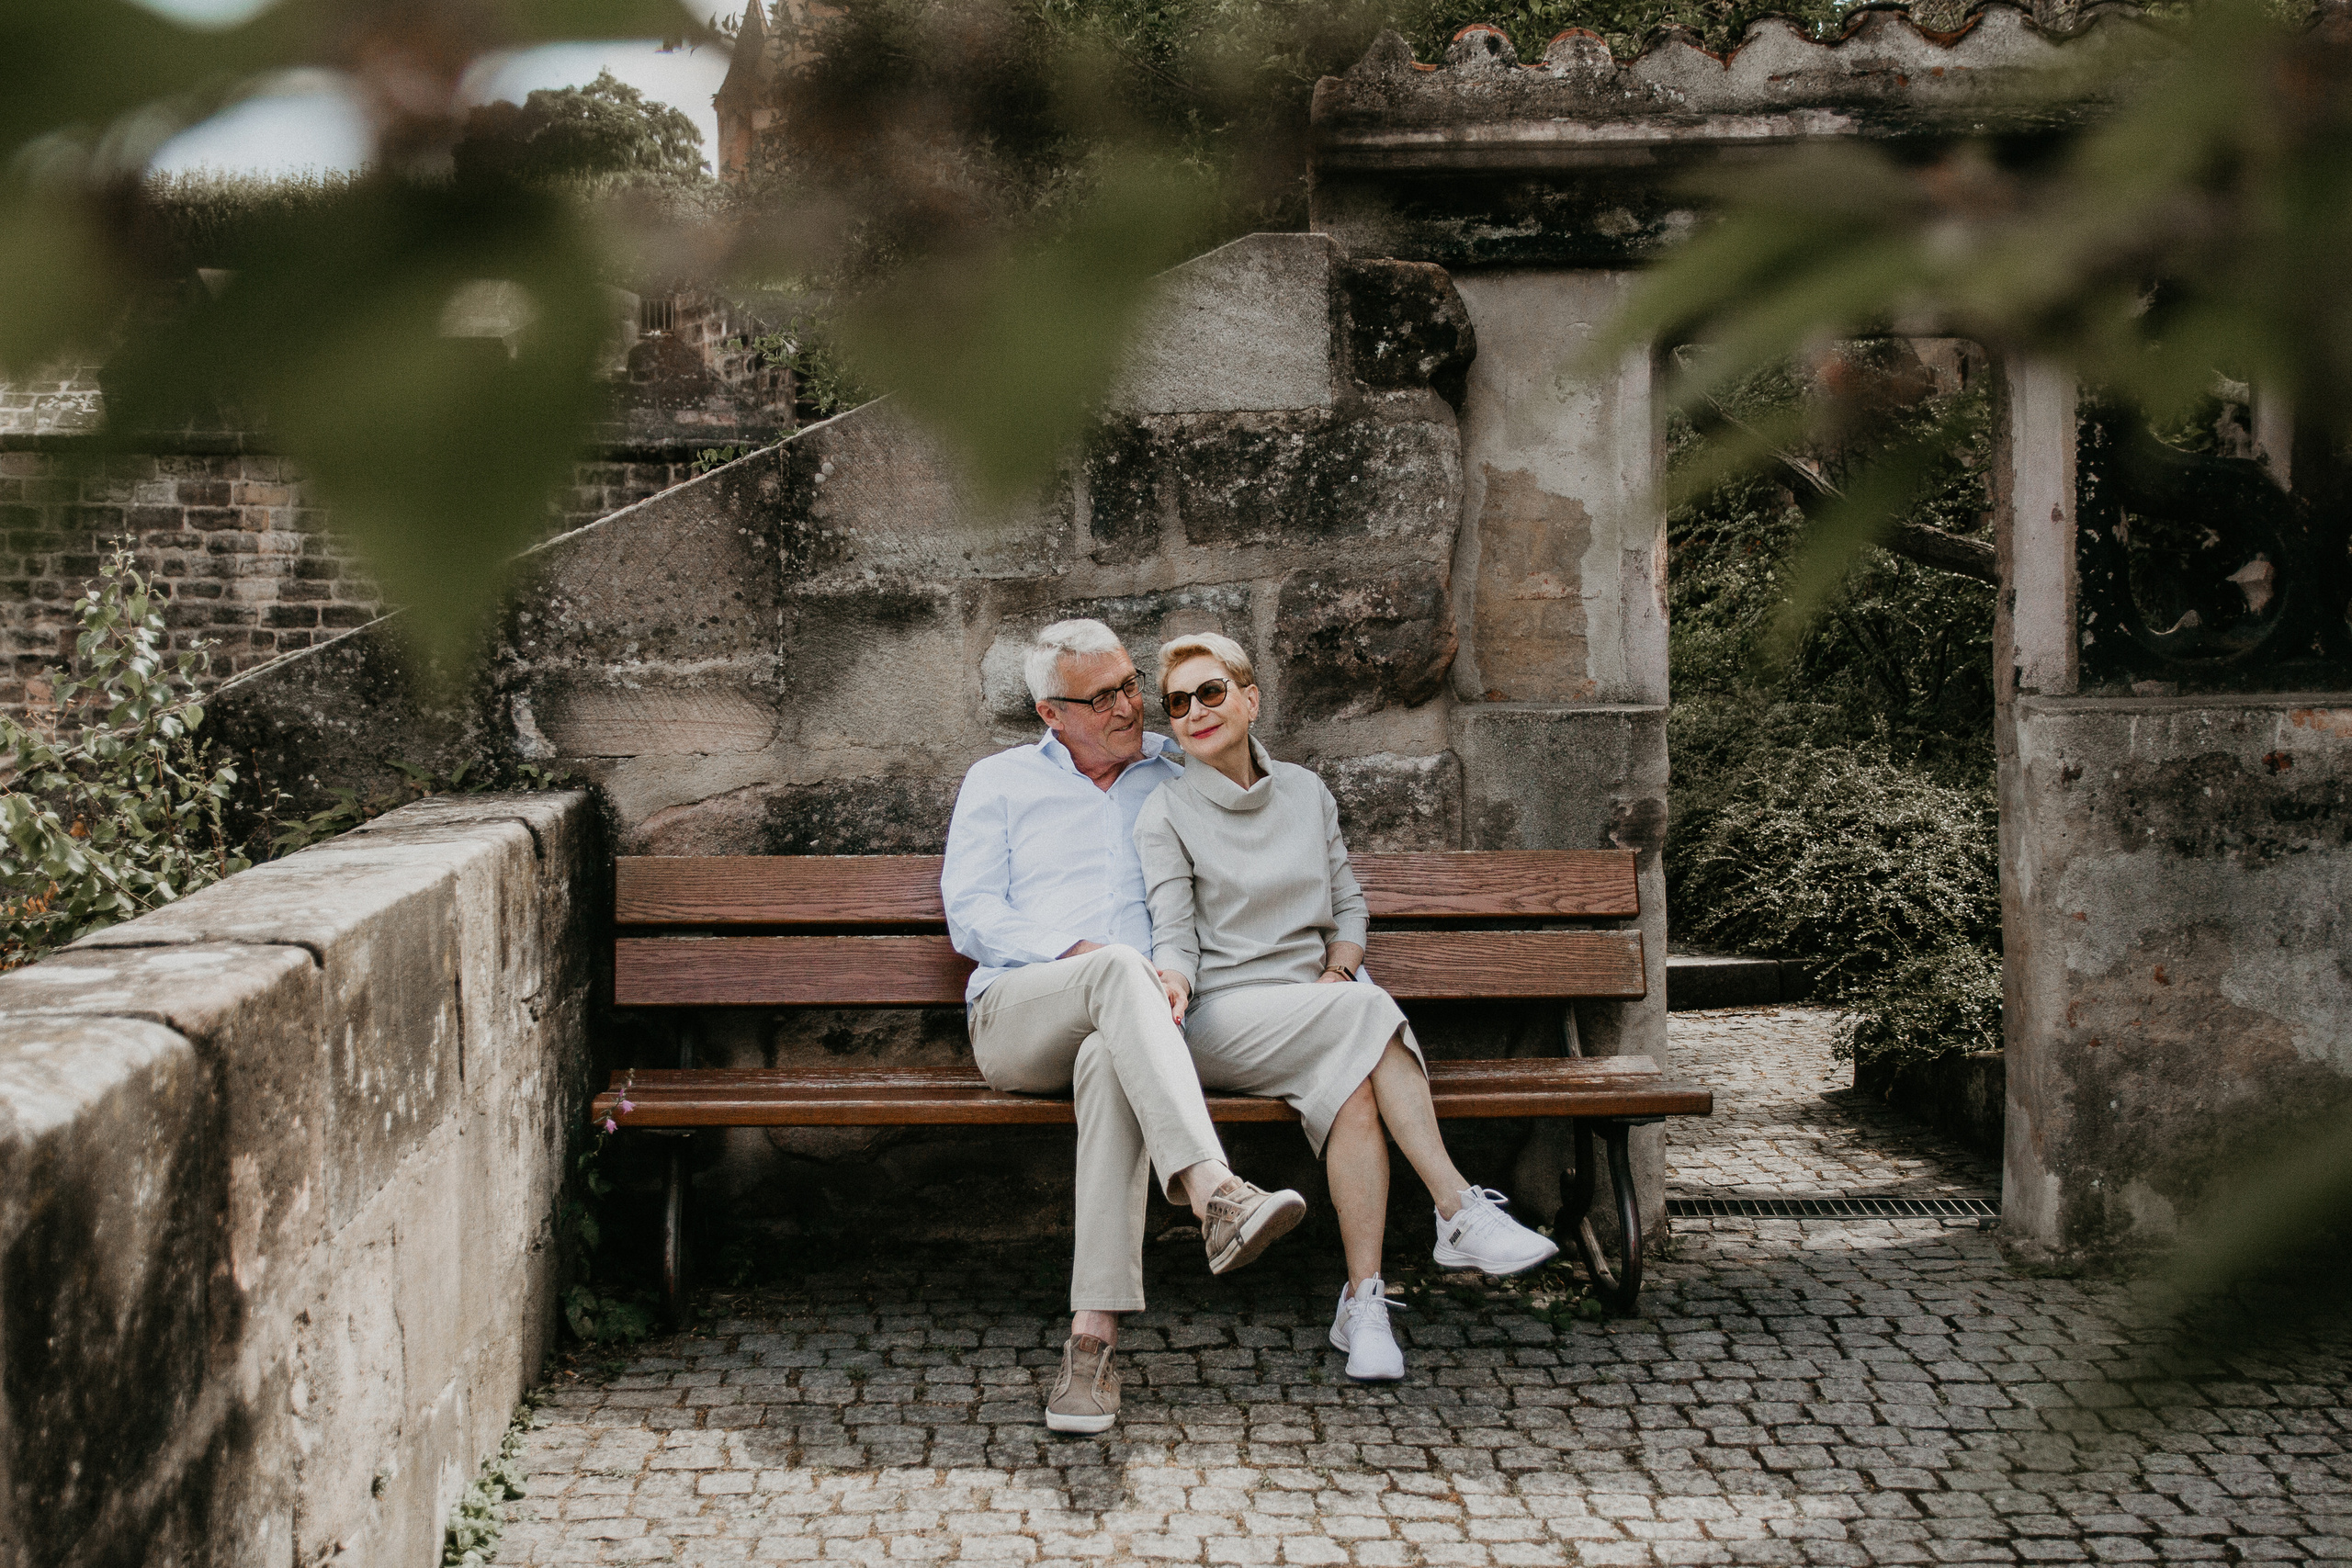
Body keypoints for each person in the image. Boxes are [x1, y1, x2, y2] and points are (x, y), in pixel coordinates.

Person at [1132, 631, 1558, 1383]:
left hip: (1318, 1009)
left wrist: (1339, 966)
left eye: (1211, 692)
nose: (1195, 710)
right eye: (1178, 702)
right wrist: (1171, 980)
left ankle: (1364, 1303)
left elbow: (1349, 906)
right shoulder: (1164, 813)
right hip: (1223, 1018)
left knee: (1357, 1086)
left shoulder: (1306, 792)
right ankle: (1457, 1209)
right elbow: (1174, 929)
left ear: (1250, 697)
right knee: (1366, 1014)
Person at [941, 617, 1308, 1436]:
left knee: (1114, 1054)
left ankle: (1089, 1346)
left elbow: (1260, 839)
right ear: (1050, 713)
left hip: (1141, 1028)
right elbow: (970, 913)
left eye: (1130, 684)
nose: (1128, 705)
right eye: (1101, 695)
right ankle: (1215, 1190)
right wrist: (1074, 951)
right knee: (1111, 967)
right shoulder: (998, 782)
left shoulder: (1176, 772)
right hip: (1020, 1012)